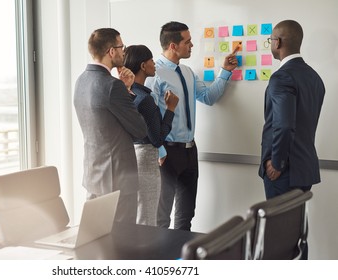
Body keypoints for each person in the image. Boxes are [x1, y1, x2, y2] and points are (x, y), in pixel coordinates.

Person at [145, 21, 238, 231]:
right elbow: (147, 116)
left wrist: (225, 71)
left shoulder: (187, 72)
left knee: (186, 216)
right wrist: (159, 150)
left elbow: (208, 97)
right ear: (172, 46)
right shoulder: (155, 74)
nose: (192, 45)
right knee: (161, 218)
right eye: (187, 42)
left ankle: (181, 262)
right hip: (166, 154)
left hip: (189, 152)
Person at [259, 20, 325, 259]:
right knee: (296, 237)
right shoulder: (314, 77)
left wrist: (276, 162)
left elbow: (285, 126)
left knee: (279, 239)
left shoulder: (281, 77)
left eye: (270, 41)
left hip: (283, 172)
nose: (270, 45)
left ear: (277, 42)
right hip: (304, 168)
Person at [73, 28, 147, 224]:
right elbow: (140, 130)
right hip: (118, 178)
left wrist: (126, 90)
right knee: (122, 242)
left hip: (94, 175)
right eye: (121, 46)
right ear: (111, 51)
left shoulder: (81, 81)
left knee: (96, 238)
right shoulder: (112, 86)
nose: (124, 51)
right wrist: (127, 91)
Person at [123, 45, 179, 226]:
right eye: (151, 60)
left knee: (140, 212)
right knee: (147, 216)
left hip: (132, 156)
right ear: (142, 66)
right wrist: (170, 108)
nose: (154, 64)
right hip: (146, 158)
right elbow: (157, 138)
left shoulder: (128, 94)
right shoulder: (145, 99)